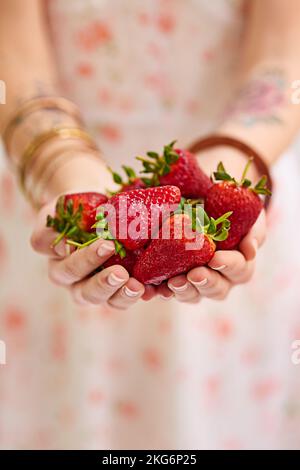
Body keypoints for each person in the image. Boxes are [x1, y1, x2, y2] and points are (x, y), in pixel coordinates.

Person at [0, 0, 300, 450]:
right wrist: (63, 166)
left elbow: (282, 57)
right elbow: (14, 58)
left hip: (230, 165)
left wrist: (235, 159)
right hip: (57, 180)